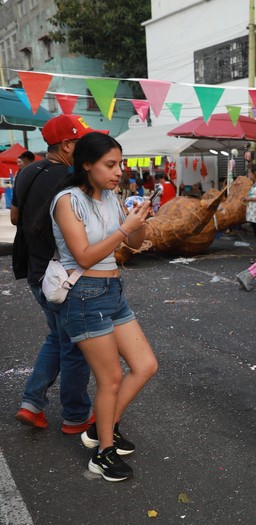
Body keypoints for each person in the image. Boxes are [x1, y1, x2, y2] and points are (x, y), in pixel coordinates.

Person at [48, 132, 158, 481]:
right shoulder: (67, 201)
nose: (118, 172)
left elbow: (135, 244)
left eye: (119, 164)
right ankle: (103, 454)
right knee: (109, 378)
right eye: (110, 165)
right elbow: (83, 255)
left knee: (145, 365)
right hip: (84, 294)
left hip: (113, 290)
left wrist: (138, 222)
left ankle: (100, 429)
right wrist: (125, 229)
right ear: (86, 164)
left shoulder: (111, 197)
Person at [10, 114, 104, 435]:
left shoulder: (24, 174)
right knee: (76, 345)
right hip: (65, 278)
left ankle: (32, 404)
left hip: (38, 276)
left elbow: (14, 219)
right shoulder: (71, 178)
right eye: (83, 142)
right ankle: (76, 416)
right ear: (67, 145)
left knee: (58, 337)